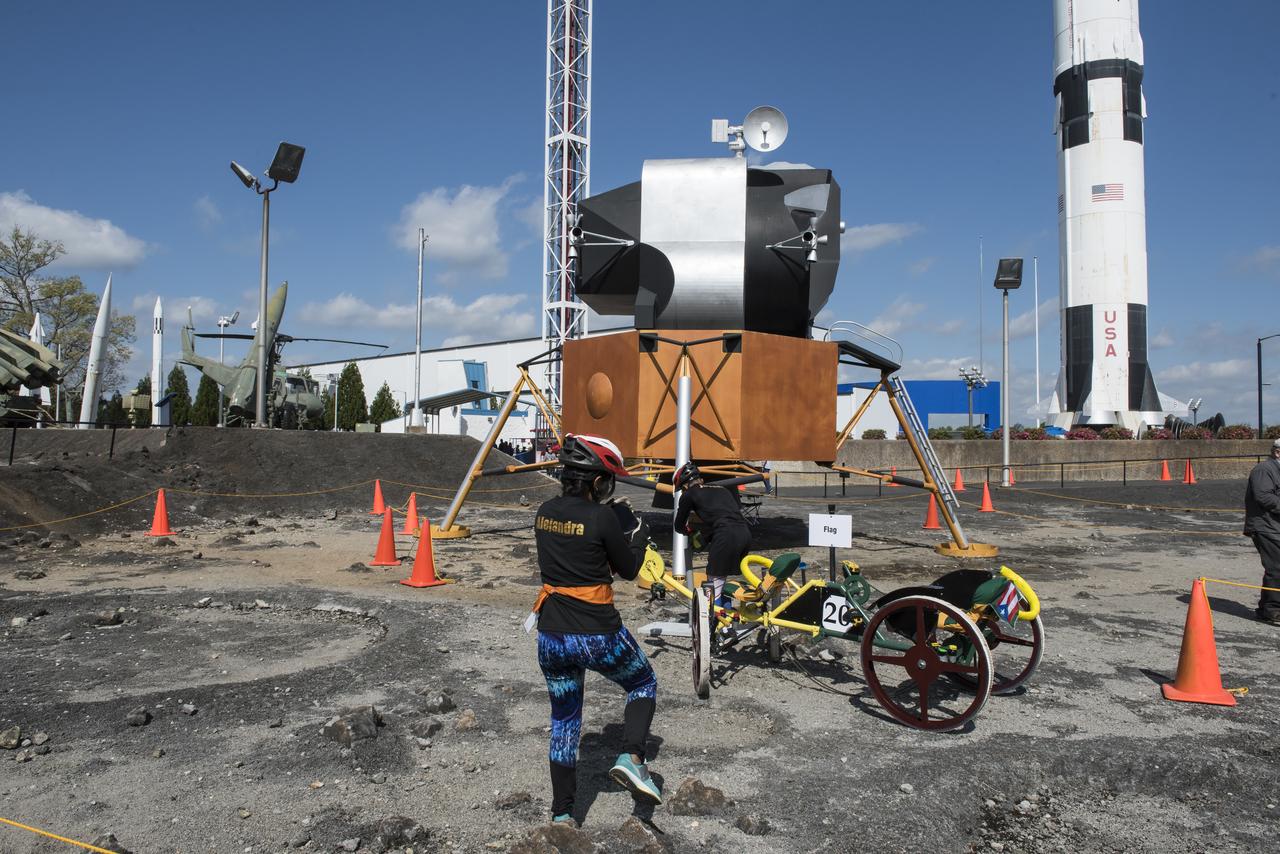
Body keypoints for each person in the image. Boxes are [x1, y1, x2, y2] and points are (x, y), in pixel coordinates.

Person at [530, 433, 661, 824]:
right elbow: (629, 569)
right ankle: (633, 757)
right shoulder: (603, 517)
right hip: (597, 634)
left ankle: (563, 815)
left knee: (565, 724)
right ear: (598, 481)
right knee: (642, 683)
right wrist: (638, 537)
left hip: (552, 633)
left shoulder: (543, 512)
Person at [672, 461, 752, 608]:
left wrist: (690, 532)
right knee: (722, 581)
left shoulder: (689, 494)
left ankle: (716, 625)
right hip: (744, 533)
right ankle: (726, 622)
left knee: (713, 585)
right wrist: (706, 536)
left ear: (684, 485)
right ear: (700, 479)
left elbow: (678, 525)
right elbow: (723, 514)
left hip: (725, 535)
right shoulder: (722, 489)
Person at [1244, 437, 1280, 625]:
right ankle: (1273, 611)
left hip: (1273, 526)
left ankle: (1266, 608)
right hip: (1264, 526)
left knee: (1276, 567)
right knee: (1276, 567)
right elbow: (1264, 497)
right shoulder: (1264, 470)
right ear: (1277, 452)